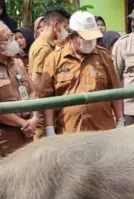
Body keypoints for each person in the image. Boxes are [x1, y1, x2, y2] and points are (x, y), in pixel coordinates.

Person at [38, 11, 124, 135]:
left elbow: (115, 90)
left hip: (103, 132)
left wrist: (120, 120)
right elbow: (47, 98)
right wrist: (50, 129)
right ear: (73, 36)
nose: (90, 41)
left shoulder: (104, 56)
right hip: (69, 133)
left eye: (93, 38)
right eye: (85, 38)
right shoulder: (54, 59)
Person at [29, 6, 71, 140]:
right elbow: (37, 84)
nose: (66, 31)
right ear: (56, 25)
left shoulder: (47, 45)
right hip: (43, 113)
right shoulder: (43, 49)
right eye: (65, 27)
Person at [0, 22, 37, 156]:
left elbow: (32, 91)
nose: (13, 41)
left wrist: (34, 118)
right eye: (8, 38)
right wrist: (23, 123)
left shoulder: (18, 63)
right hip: (5, 137)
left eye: (12, 36)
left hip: (27, 132)